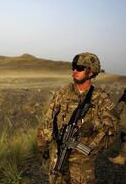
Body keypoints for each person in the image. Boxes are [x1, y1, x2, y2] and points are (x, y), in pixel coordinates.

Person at [37, 52, 117, 184]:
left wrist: (93, 125)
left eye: (79, 68)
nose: (74, 71)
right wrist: (43, 144)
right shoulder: (62, 93)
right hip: (58, 154)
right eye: (73, 67)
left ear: (90, 72)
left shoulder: (101, 98)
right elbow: (48, 120)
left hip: (82, 159)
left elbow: (112, 128)